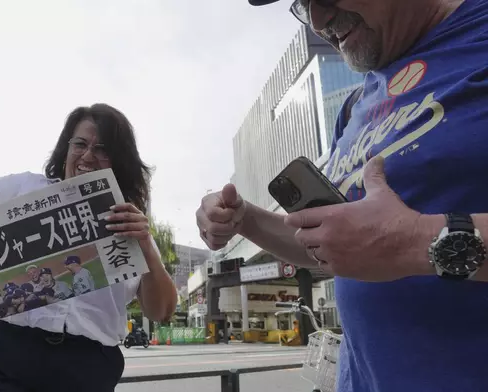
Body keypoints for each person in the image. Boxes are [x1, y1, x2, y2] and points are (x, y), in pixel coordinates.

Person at [198, 0, 488, 391]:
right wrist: (245, 219)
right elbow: (338, 248)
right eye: (303, 4)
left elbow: (388, 243)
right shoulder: (355, 106)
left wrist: (418, 242)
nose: (318, 21)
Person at [0, 79, 177, 392]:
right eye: (80, 144)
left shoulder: (130, 222)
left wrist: (146, 245)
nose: (88, 155)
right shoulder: (25, 189)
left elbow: (160, 311)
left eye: (103, 149)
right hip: (3, 357)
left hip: (84, 370)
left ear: (120, 160)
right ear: (66, 148)